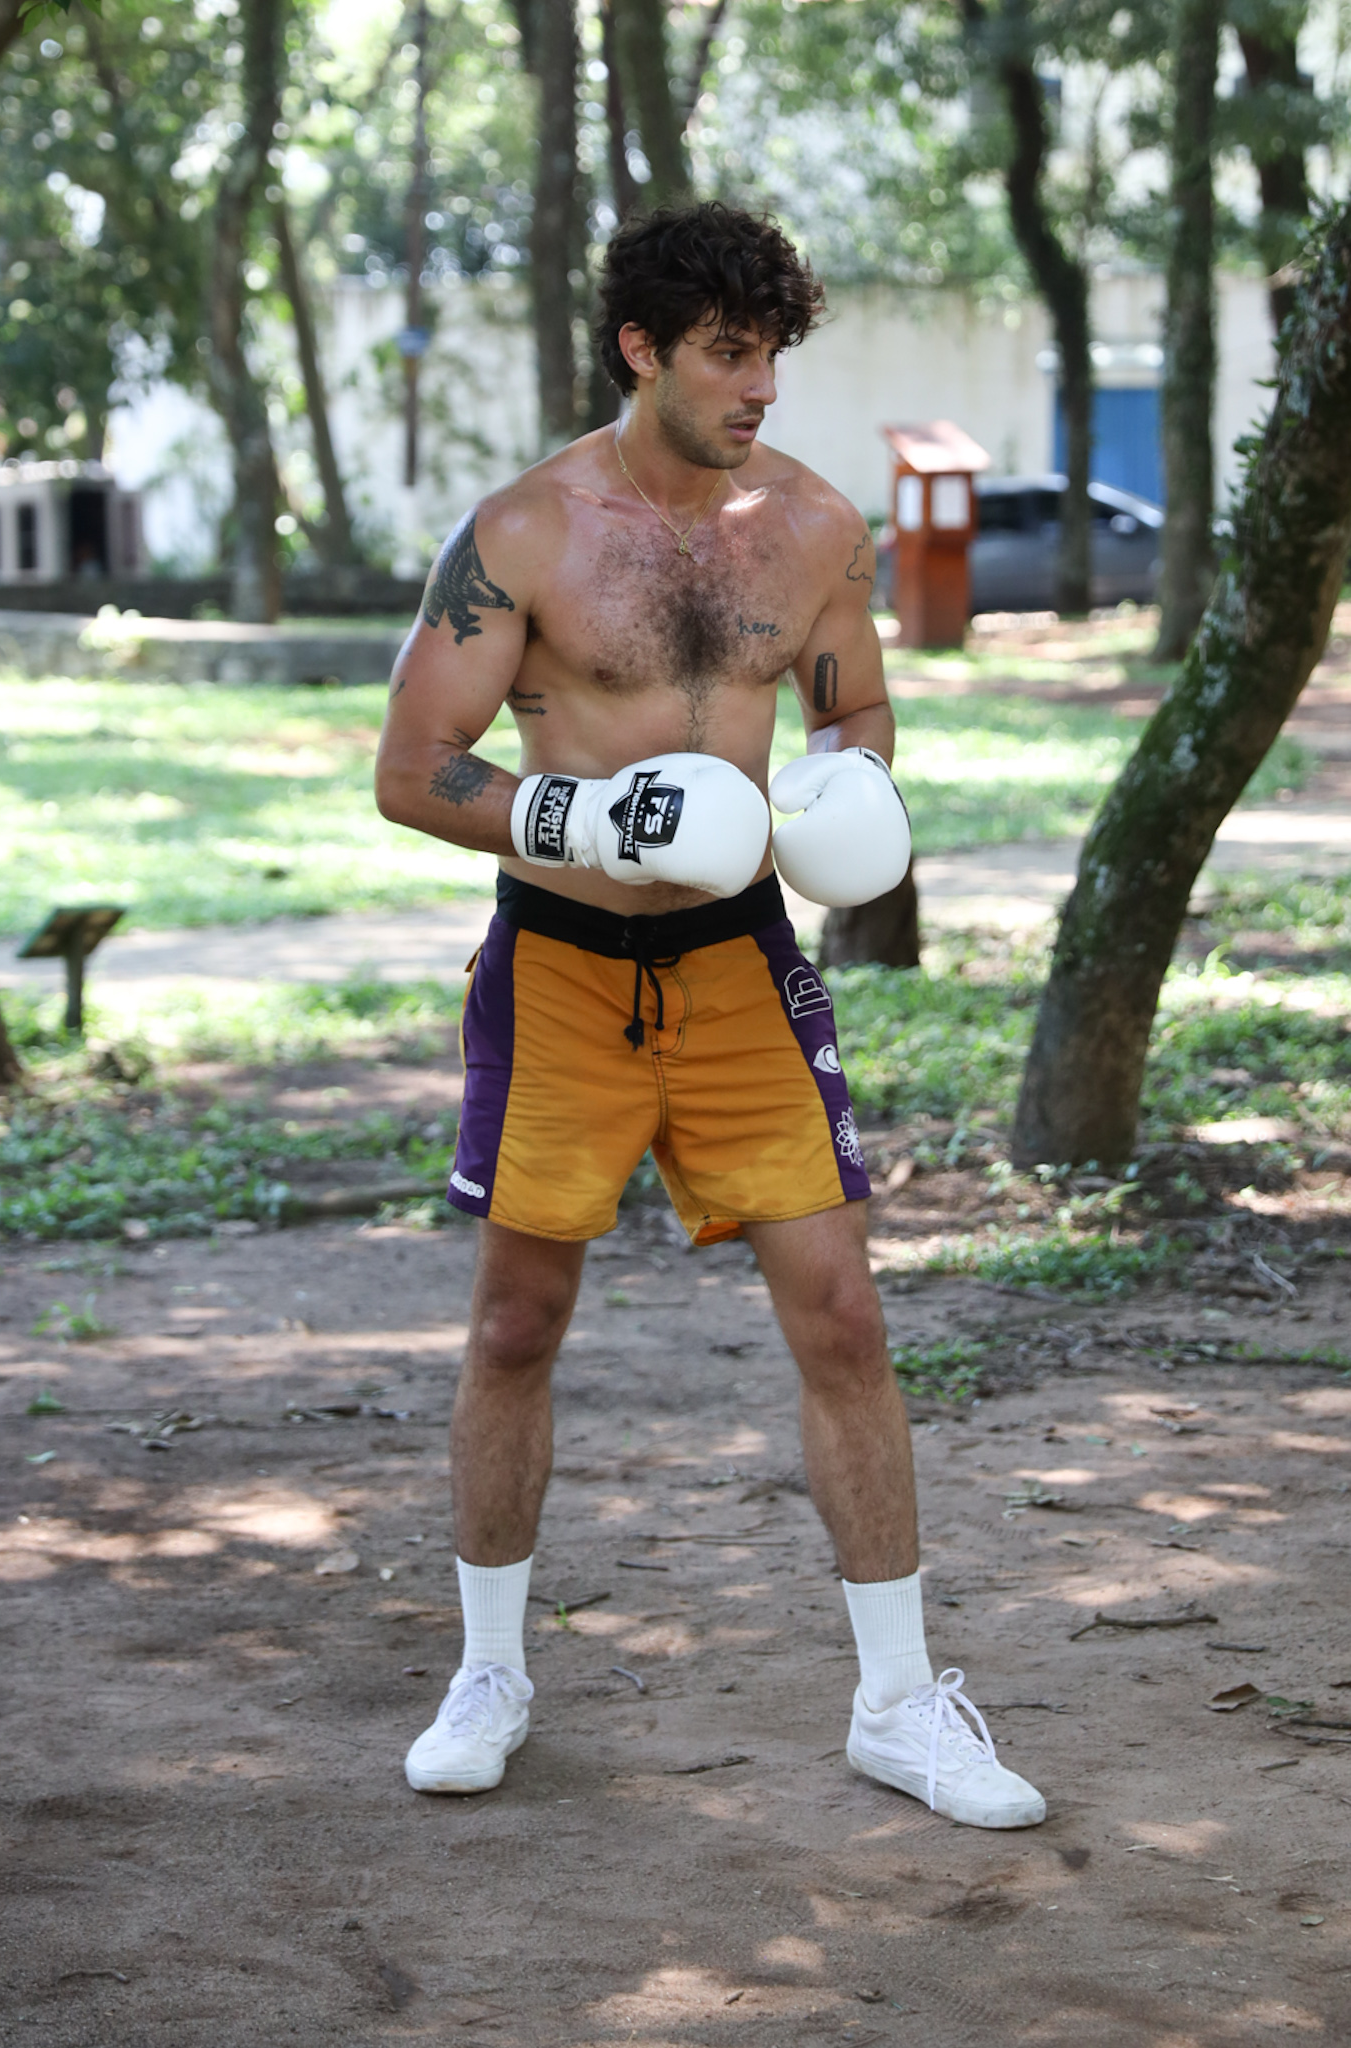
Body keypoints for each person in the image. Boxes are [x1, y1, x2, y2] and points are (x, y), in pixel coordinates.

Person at [374, 202, 1045, 1831]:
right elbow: (410, 771)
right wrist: (576, 824)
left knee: (840, 1319)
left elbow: (853, 693)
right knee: (516, 1324)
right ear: (641, 350)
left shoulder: (810, 528)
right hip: (559, 966)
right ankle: (490, 1670)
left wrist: (849, 785)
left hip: (742, 963)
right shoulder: (527, 535)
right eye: (727, 356)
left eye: (771, 356)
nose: (758, 388)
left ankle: (898, 1705)